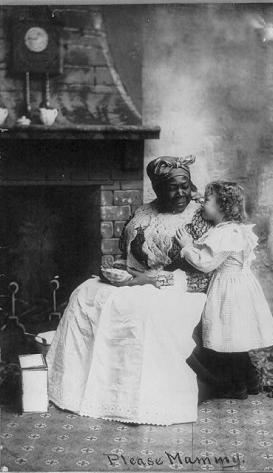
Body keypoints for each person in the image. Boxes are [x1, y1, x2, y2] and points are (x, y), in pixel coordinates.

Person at [47, 155, 212, 426]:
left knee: (144, 309)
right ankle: (89, 386)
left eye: (185, 185)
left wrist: (152, 279)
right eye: (172, 187)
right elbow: (129, 252)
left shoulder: (198, 216)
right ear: (158, 188)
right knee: (85, 294)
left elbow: (203, 265)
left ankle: (139, 398)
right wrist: (123, 270)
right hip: (142, 277)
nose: (181, 192)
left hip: (181, 284)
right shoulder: (144, 213)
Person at [176, 181, 273, 399]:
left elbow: (206, 263)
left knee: (229, 338)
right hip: (241, 285)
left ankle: (237, 386)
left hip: (229, 289)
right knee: (235, 337)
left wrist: (186, 247)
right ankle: (250, 380)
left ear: (222, 207)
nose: (203, 204)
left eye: (207, 201)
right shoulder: (235, 230)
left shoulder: (226, 233)